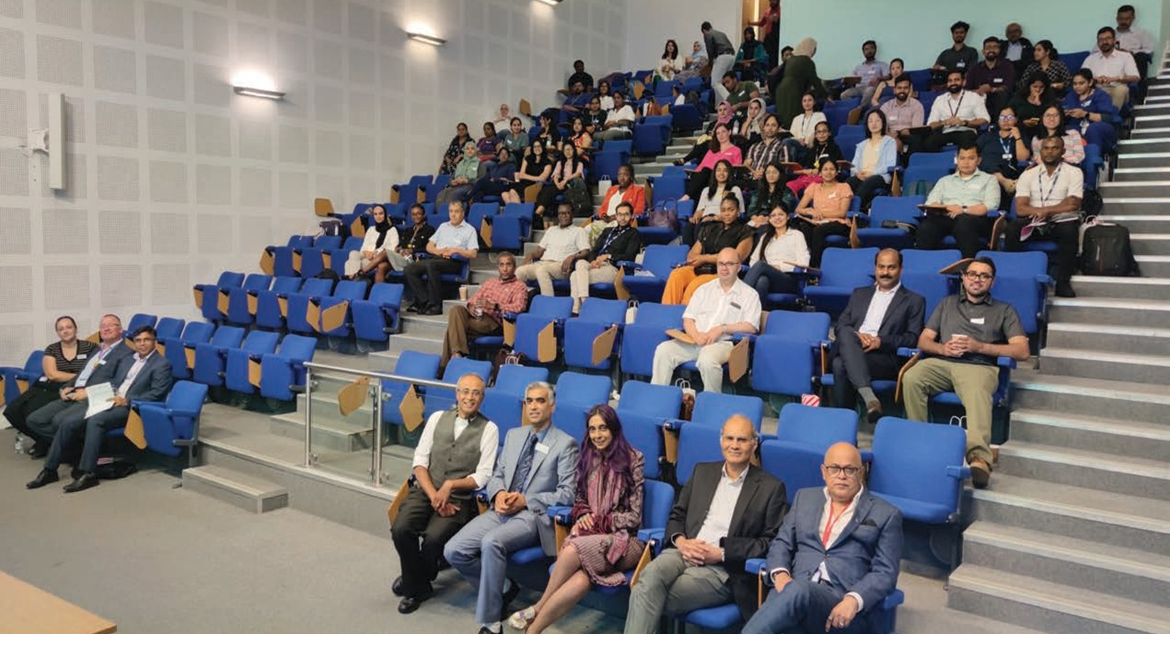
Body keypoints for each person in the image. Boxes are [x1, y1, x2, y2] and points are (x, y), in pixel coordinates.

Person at [625, 415, 788, 633]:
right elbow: (677, 514)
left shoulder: (771, 487)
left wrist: (720, 553)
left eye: (742, 440)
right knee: (650, 576)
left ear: (754, 443)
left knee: (645, 591)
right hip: (682, 552)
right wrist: (681, 542)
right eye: (729, 438)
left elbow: (769, 542)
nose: (734, 445)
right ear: (721, 441)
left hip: (722, 569)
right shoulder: (702, 471)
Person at [444, 381, 579, 635]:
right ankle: (503, 587)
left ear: (552, 406)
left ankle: (491, 623)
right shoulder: (515, 435)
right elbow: (497, 475)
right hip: (503, 509)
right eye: (530, 401)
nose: (534, 406)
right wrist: (500, 493)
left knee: (492, 543)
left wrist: (527, 500)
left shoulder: (565, 444)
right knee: (453, 550)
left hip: (533, 516)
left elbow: (568, 493)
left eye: (540, 401)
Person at [509, 405, 645, 634]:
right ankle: (533, 631)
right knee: (581, 581)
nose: (597, 435)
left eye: (603, 428)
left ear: (614, 429)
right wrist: (582, 515)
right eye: (592, 429)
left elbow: (635, 517)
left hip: (625, 542)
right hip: (592, 537)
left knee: (572, 548)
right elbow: (579, 498)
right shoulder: (588, 457)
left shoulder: (634, 459)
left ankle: (538, 606)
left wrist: (599, 521)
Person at [742, 443, 903, 635]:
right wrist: (780, 573)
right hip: (791, 593)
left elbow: (886, 572)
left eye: (849, 469)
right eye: (834, 468)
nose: (841, 475)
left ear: (861, 473)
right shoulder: (805, 498)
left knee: (798, 591)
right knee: (790, 605)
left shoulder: (886, 513)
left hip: (840, 604)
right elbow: (781, 543)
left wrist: (854, 599)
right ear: (823, 471)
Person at [904, 257, 1030, 488]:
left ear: (992, 282)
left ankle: (980, 459)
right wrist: (942, 348)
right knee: (912, 377)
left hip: (979, 365)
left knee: (976, 391)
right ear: (963, 278)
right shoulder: (947, 304)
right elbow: (924, 340)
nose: (977, 279)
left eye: (984, 276)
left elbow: (1022, 351)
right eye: (972, 274)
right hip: (943, 362)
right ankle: (921, 443)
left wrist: (980, 347)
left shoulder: (1004, 310)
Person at [390, 374, 499, 614]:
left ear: (482, 398)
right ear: (457, 393)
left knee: (434, 539)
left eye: (476, 393)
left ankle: (413, 587)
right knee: (401, 529)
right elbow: (419, 461)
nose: (469, 397)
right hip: (426, 489)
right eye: (465, 391)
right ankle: (418, 582)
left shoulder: (490, 429)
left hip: (458, 499)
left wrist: (450, 486)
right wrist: (434, 494)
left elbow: (483, 476)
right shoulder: (437, 418)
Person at [27, 325, 173, 494]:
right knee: (68, 422)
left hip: (130, 407)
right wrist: (95, 393)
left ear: (154, 342)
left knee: (96, 421)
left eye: (146, 340)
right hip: (108, 398)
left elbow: (156, 394)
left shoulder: (162, 364)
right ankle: (50, 470)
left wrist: (127, 400)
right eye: (138, 340)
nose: (142, 344)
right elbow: (114, 383)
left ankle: (88, 473)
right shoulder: (129, 359)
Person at [830, 249, 925, 420]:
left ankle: (843, 423)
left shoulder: (914, 300)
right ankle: (869, 399)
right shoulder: (859, 293)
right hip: (854, 346)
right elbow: (841, 325)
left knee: (839, 364)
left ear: (901, 269)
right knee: (845, 331)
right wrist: (858, 337)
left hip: (883, 357)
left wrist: (880, 341)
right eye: (881, 267)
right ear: (875, 268)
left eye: (891, 267)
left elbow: (912, 337)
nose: (885, 272)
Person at [652, 248, 762, 393]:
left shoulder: (749, 294)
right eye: (721, 263)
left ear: (739, 267)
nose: (724, 268)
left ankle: (711, 403)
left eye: (729, 264)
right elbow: (688, 318)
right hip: (695, 340)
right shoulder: (703, 289)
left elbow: (751, 326)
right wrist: (695, 334)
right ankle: (658, 398)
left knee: (707, 359)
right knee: (663, 350)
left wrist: (722, 328)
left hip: (724, 343)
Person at [25, 315, 133, 456]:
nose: (106, 328)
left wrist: (87, 392)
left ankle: (76, 450)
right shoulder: (97, 350)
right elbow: (81, 374)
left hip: (92, 398)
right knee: (34, 420)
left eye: (111, 325)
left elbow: (117, 383)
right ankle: (77, 448)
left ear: (120, 329)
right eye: (102, 326)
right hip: (74, 393)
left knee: (59, 421)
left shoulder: (126, 353)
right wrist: (66, 387)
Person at [4, 316, 98, 453]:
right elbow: (52, 374)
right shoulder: (52, 349)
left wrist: (76, 379)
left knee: (32, 415)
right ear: (57, 332)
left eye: (69, 327)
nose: (65, 331)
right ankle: (43, 440)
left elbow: (95, 370)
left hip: (65, 389)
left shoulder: (90, 347)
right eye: (61, 329)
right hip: (45, 385)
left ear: (76, 329)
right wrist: (80, 376)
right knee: (11, 411)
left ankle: (51, 444)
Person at [1007, 136, 1084, 299]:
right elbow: (1020, 209)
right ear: (1040, 151)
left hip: (1060, 220)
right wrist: (1055, 207)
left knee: (1069, 230)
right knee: (1013, 228)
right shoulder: (1028, 175)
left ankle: (1063, 283)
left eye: (1055, 148)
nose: (1050, 152)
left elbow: (1073, 205)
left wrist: (1046, 211)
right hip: (1033, 220)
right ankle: (1016, 280)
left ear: (1063, 151)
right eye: (1046, 148)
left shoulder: (1074, 172)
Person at [441, 253, 528, 370]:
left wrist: (495, 306)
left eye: (508, 265)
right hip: (477, 316)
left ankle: (445, 368)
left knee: (454, 328)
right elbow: (474, 299)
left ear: (514, 267)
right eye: (501, 265)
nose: (505, 268)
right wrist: (471, 306)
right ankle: (457, 354)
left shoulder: (519, 286)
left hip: (494, 322)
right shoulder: (490, 282)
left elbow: (519, 307)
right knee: (456, 310)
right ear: (498, 267)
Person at [917, 144, 1001, 259]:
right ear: (957, 159)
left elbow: (990, 206)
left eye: (971, 158)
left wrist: (963, 210)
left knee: (964, 223)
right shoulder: (944, 181)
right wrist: (949, 207)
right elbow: (931, 203)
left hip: (974, 218)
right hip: (946, 216)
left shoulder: (989, 180)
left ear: (979, 160)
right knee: (926, 227)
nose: (966, 162)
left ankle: (969, 267)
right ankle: (926, 266)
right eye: (962, 158)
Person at [667, 196, 755, 305]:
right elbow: (691, 256)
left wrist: (704, 258)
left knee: (695, 285)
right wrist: (710, 258)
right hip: (699, 268)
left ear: (737, 211)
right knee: (676, 274)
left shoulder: (745, 231)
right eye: (723, 210)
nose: (726, 213)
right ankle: (667, 313)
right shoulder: (710, 228)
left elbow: (733, 259)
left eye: (731, 210)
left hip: (721, 272)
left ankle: (683, 319)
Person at [405, 201, 479, 316]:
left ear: (463, 213)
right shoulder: (443, 226)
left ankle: (436, 305)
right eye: (451, 211)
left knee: (431, 265)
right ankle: (425, 301)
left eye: (456, 211)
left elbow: (473, 253)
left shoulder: (470, 230)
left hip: (454, 261)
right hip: (437, 257)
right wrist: (439, 252)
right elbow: (429, 246)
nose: (453, 215)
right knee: (409, 269)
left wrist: (456, 250)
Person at [571, 202, 643, 315]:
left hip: (613, 268)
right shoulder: (608, 231)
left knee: (575, 276)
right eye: (620, 214)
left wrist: (609, 257)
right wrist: (593, 261)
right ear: (616, 215)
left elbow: (629, 256)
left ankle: (577, 311)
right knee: (580, 263)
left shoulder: (634, 233)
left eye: (626, 214)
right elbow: (594, 250)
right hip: (597, 265)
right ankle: (584, 303)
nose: (623, 218)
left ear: (631, 216)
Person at [516, 203, 591, 298]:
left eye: (567, 213)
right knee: (520, 271)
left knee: (541, 270)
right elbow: (539, 252)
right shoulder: (551, 230)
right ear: (558, 215)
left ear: (572, 215)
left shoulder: (579, 231)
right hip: (543, 262)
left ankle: (548, 305)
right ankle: (517, 302)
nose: (564, 216)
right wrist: (531, 255)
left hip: (561, 266)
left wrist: (573, 256)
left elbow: (586, 251)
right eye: (561, 213)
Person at [912, 69, 990, 153]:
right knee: (929, 142)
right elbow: (931, 125)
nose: (953, 83)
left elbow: (985, 119)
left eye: (956, 80)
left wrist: (965, 122)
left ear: (963, 82)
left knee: (967, 138)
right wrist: (943, 122)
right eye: (950, 81)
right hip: (945, 132)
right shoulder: (940, 99)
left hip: (965, 131)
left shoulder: (973, 97)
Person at [795, 160, 854, 268]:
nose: (828, 172)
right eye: (825, 169)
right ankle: (802, 260)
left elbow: (842, 213)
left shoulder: (844, 187)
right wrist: (810, 211)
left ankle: (814, 267)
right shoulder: (814, 187)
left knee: (819, 229)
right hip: (817, 221)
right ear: (820, 173)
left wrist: (820, 213)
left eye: (832, 169)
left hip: (839, 223)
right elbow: (799, 209)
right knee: (800, 225)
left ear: (837, 172)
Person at [745, 205, 809, 300]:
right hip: (769, 278)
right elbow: (753, 260)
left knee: (761, 265)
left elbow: (804, 263)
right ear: (769, 219)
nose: (777, 218)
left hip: (788, 280)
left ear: (787, 217)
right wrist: (768, 269)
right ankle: (758, 313)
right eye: (773, 215)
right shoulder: (765, 237)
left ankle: (739, 297)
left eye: (781, 214)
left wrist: (779, 267)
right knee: (762, 281)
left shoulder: (797, 235)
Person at [847, 109, 898, 211]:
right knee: (848, 183)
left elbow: (890, 164)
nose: (874, 124)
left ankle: (855, 212)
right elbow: (854, 165)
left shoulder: (889, 142)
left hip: (879, 177)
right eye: (870, 121)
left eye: (877, 120)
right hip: (861, 175)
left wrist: (872, 173)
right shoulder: (861, 145)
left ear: (883, 122)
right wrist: (857, 173)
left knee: (868, 182)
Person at [687, 160, 746, 246]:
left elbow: (739, 213)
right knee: (688, 227)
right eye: (718, 170)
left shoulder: (735, 189)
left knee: (701, 227)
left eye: (725, 170)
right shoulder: (706, 190)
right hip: (704, 218)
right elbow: (700, 209)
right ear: (714, 173)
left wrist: (714, 218)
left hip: (719, 220)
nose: (721, 173)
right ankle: (688, 254)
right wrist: (696, 215)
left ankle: (699, 254)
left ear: (729, 173)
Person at [977, 107, 1030, 199]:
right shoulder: (987, 136)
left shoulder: (1021, 136)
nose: (1005, 120)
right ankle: (1003, 181)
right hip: (985, 173)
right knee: (988, 158)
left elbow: (1022, 158)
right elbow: (973, 152)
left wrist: (1017, 137)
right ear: (997, 120)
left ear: (1016, 119)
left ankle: (1002, 180)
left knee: (989, 159)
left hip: (1009, 171)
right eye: (1002, 117)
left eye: (1009, 117)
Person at [1082, 27, 1139, 110]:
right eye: (1101, 40)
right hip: (1097, 89)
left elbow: (1135, 77)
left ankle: (1110, 117)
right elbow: (1081, 77)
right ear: (1098, 43)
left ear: (1114, 40)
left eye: (1108, 38)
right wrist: (1095, 79)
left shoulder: (1125, 56)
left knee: (1121, 89)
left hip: (1116, 88)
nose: (1104, 42)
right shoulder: (1090, 59)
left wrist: (1115, 79)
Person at [683, 125, 743, 203]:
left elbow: (737, 167)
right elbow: (702, 165)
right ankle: (692, 204)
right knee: (701, 174)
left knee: (705, 171)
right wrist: (693, 172)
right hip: (707, 177)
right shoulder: (712, 150)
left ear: (729, 132)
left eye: (723, 132)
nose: (721, 135)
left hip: (723, 177)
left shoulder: (736, 150)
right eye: (718, 133)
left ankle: (687, 197)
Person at [775, 38, 827, 128]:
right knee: (794, 117)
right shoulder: (807, 61)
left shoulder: (791, 59)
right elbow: (815, 81)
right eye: (814, 49)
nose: (814, 52)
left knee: (783, 116)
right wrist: (826, 96)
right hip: (794, 90)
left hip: (781, 91)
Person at [1065, 68, 1119, 153]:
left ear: (1090, 82)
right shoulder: (1071, 96)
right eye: (1075, 84)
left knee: (1093, 128)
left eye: (1081, 83)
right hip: (1077, 127)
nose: (1077, 87)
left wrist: (1085, 114)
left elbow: (1107, 118)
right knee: (1068, 130)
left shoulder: (1100, 95)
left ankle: (1094, 158)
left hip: (1099, 128)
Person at [786, 122, 843, 199]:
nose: (821, 134)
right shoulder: (813, 150)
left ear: (829, 133)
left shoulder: (834, 148)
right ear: (815, 135)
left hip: (824, 178)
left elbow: (839, 166)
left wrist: (821, 172)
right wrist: (806, 171)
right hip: (809, 176)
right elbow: (800, 166)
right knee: (789, 185)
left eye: (824, 131)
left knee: (812, 186)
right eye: (819, 132)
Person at [346, 205, 402, 281]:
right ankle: (354, 278)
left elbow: (392, 249)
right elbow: (363, 248)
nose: (378, 216)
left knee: (351, 264)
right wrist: (366, 253)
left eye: (380, 214)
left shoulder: (392, 230)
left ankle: (351, 280)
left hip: (379, 260)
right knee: (353, 253)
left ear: (385, 214)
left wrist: (375, 253)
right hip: (367, 257)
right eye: (375, 214)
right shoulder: (371, 229)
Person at [966, 36, 1016, 121]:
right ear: (983, 51)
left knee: (1001, 95)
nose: (991, 50)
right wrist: (979, 91)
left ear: (999, 50)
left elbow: (1008, 87)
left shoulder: (1007, 66)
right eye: (988, 47)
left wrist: (991, 89)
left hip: (999, 101)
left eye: (995, 47)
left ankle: (998, 125)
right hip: (979, 100)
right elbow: (966, 90)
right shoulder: (974, 69)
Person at [534, 144, 587, 224]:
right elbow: (555, 175)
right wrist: (557, 183)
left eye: (570, 149)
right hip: (559, 183)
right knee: (545, 189)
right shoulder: (560, 163)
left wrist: (566, 180)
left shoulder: (579, 163)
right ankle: (540, 211)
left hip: (570, 184)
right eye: (565, 150)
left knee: (550, 191)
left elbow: (578, 174)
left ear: (574, 151)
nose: (567, 152)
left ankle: (538, 212)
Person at [878, 74, 925, 158]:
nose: (902, 91)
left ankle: (909, 165)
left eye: (905, 88)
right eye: (899, 88)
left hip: (908, 136)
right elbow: (881, 127)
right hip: (889, 135)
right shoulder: (886, 106)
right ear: (894, 90)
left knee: (917, 139)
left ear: (910, 89)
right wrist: (894, 138)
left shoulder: (917, 105)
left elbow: (915, 129)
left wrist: (899, 134)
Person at [1110, 4, 1155, 84]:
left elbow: (1149, 51)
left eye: (1127, 19)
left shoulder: (1141, 33)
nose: (1123, 22)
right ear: (1117, 19)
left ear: (1133, 18)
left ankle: (1137, 86)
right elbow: (1094, 52)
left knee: (1141, 56)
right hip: (1112, 62)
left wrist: (1131, 53)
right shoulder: (1109, 34)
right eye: (1121, 19)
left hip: (1133, 62)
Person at [501, 139, 553, 206]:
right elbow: (521, 176)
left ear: (542, 147)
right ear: (532, 148)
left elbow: (542, 178)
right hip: (524, 183)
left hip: (536, 185)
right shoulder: (528, 158)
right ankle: (518, 212)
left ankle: (518, 212)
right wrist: (535, 177)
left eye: (539, 146)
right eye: (535, 147)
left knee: (512, 191)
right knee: (504, 194)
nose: (537, 148)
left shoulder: (547, 162)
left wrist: (526, 176)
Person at [782, 93, 828, 164]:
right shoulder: (797, 118)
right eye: (804, 101)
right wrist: (798, 140)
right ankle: (792, 168)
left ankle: (790, 168)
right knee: (790, 145)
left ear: (814, 102)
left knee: (789, 145)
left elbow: (822, 130)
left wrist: (811, 138)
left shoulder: (820, 115)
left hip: (811, 145)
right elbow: (791, 135)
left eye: (810, 100)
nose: (807, 103)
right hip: (797, 145)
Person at [1010, 71, 1055, 143]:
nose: (1038, 90)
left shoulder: (1049, 99)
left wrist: (1038, 103)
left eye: (1041, 87)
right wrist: (1022, 123)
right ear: (1029, 86)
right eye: (1035, 86)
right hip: (1021, 130)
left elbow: (1052, 118)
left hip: (1043, 131)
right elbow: (1009, 114)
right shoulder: (1019, 98)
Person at [931, 21, 979, 86]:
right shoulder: (945, 53)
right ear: (952, 35)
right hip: (945, 84)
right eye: (956, 33)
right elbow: (935, 68)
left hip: (962, 85)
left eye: (961, 32)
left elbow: (971, 72)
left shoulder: (972, 52)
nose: (959, 35)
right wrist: (937, 67)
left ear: (966, 34)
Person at [747, 163, 795, 227]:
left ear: (780, 174)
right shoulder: (759, 190)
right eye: (768, 172)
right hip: (758, 218)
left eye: (774, 173)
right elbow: (752, 208)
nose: (771, 175)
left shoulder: (786, 192)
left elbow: (784, 210)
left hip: (777, 220)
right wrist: (756, 218)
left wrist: (767, 219)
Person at [393, 203, 438, 268]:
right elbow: (402, 244)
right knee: (383, 264)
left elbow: (428, 248)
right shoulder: (408, 230)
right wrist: (399, 249)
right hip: (403, 257)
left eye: (418, 214)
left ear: (423, 215)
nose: (415, 216)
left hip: (416, 259)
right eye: (413, 214)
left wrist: (413, 250)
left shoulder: (429, 230)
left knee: (385, 254)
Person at [435, 141, 481, 206]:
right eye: (467, 149)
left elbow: (481, 180)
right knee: (441, 194)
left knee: (453, 195)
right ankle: (440, 214)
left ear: (476, 150)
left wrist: (468, 181)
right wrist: (452, 182)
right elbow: (453, 177)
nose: (470, 150)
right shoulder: (460, 164)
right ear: (464, 151)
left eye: (472, 148)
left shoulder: (480, 164)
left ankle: (450, 214)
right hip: (457, 185)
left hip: (470, 186)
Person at [703, 21, 738, 104]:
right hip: (732, 57)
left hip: (722, 57)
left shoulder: (707, 34)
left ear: (704, 30)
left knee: (715, 83)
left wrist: (710, 64)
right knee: (723, 82)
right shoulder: (721, 33)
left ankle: (731, 100)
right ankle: (720, 106)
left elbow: (710, 50)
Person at [744, 114, 786, 179]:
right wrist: (754, 172)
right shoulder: (754, 146)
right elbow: (745, 165)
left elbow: (783, 170)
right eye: (767, 125)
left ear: (778, 129)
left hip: (769, 183)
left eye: (773, 125)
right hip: (751, 181)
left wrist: (766, 174)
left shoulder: (782, 147)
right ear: (764, 128)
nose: (770, 128)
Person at [748, 0, 782, 76]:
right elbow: (761, 23)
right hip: (768, 38)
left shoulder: (781, 11)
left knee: (774, 58)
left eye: (773, 0)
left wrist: (777, 19)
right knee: (765, 57)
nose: (771, 2)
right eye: (770, 1)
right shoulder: (767, 11)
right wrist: (751, 23)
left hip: (776, 38)